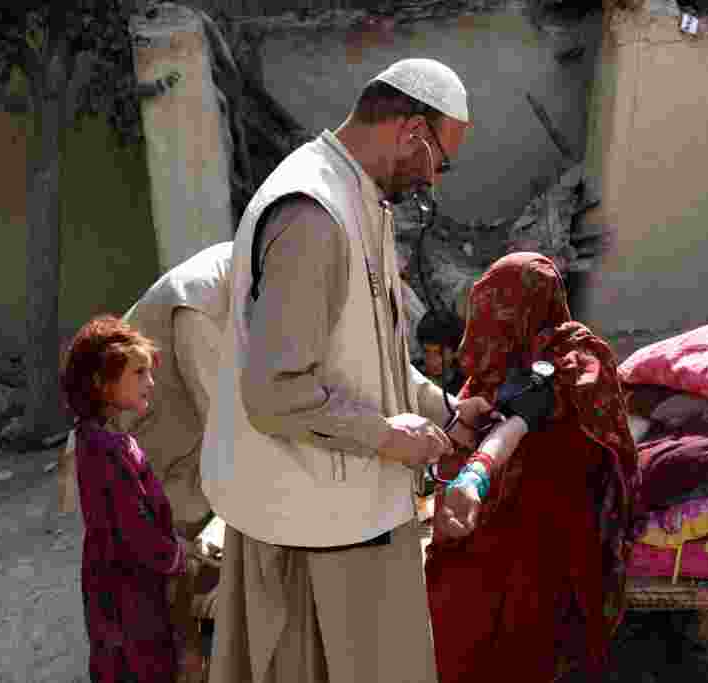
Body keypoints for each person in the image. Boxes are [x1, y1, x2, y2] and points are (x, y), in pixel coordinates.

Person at [201, 58, 493, 683]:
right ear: (413, 131)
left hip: (346, 506)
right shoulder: (314, 215)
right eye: (441, 162)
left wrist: (443, 409)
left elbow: (373, 355)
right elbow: (276, 393)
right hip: (320, 525)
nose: (435, 183)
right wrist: (392, 438)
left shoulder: (360, 200)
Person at [425, 252, 639, 682]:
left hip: (548, 535)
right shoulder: (493, 367)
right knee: (453, 624)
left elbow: (520, 423)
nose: (487, 325)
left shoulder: (576, 362)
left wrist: (474, 475)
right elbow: (466, 430)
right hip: (479, 527)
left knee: (525, 643)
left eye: (500, 312)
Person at [59, 242, 232, 543]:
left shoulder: (242, 271)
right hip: (153, 495)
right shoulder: (199, 304)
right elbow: (227, 435)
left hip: (169, 474)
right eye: (141, 373)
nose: (150, 382)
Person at [60, 315, 190, 683]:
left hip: (114, 581)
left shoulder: (93, 439)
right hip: (129, 592)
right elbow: (136, 530)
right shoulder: (108, 451)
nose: (150, 381)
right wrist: (179, 556)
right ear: (102, 384)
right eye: (138, 373)